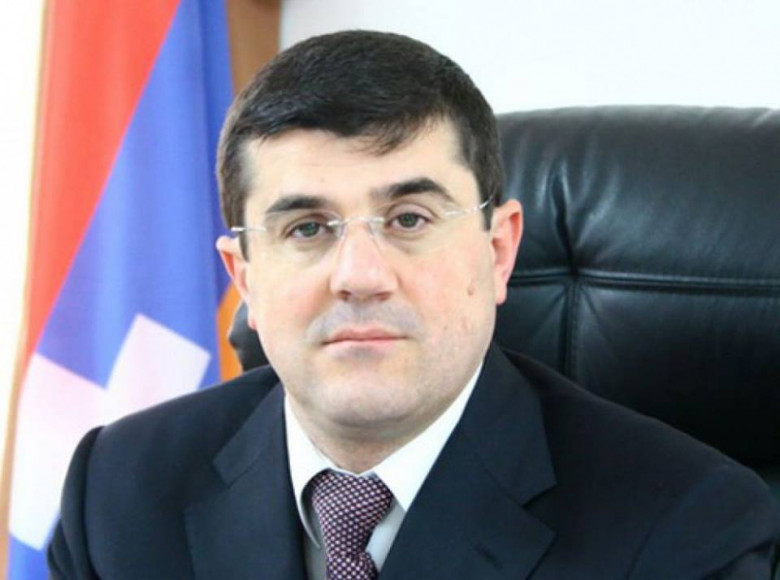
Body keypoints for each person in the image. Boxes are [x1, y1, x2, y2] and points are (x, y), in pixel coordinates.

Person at [49, 30, 779, 579]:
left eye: (409, 219)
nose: (360, 276)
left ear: (499, 251)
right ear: (245, 279)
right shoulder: (117, 490)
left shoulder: (685, 529)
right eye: (307, 228)